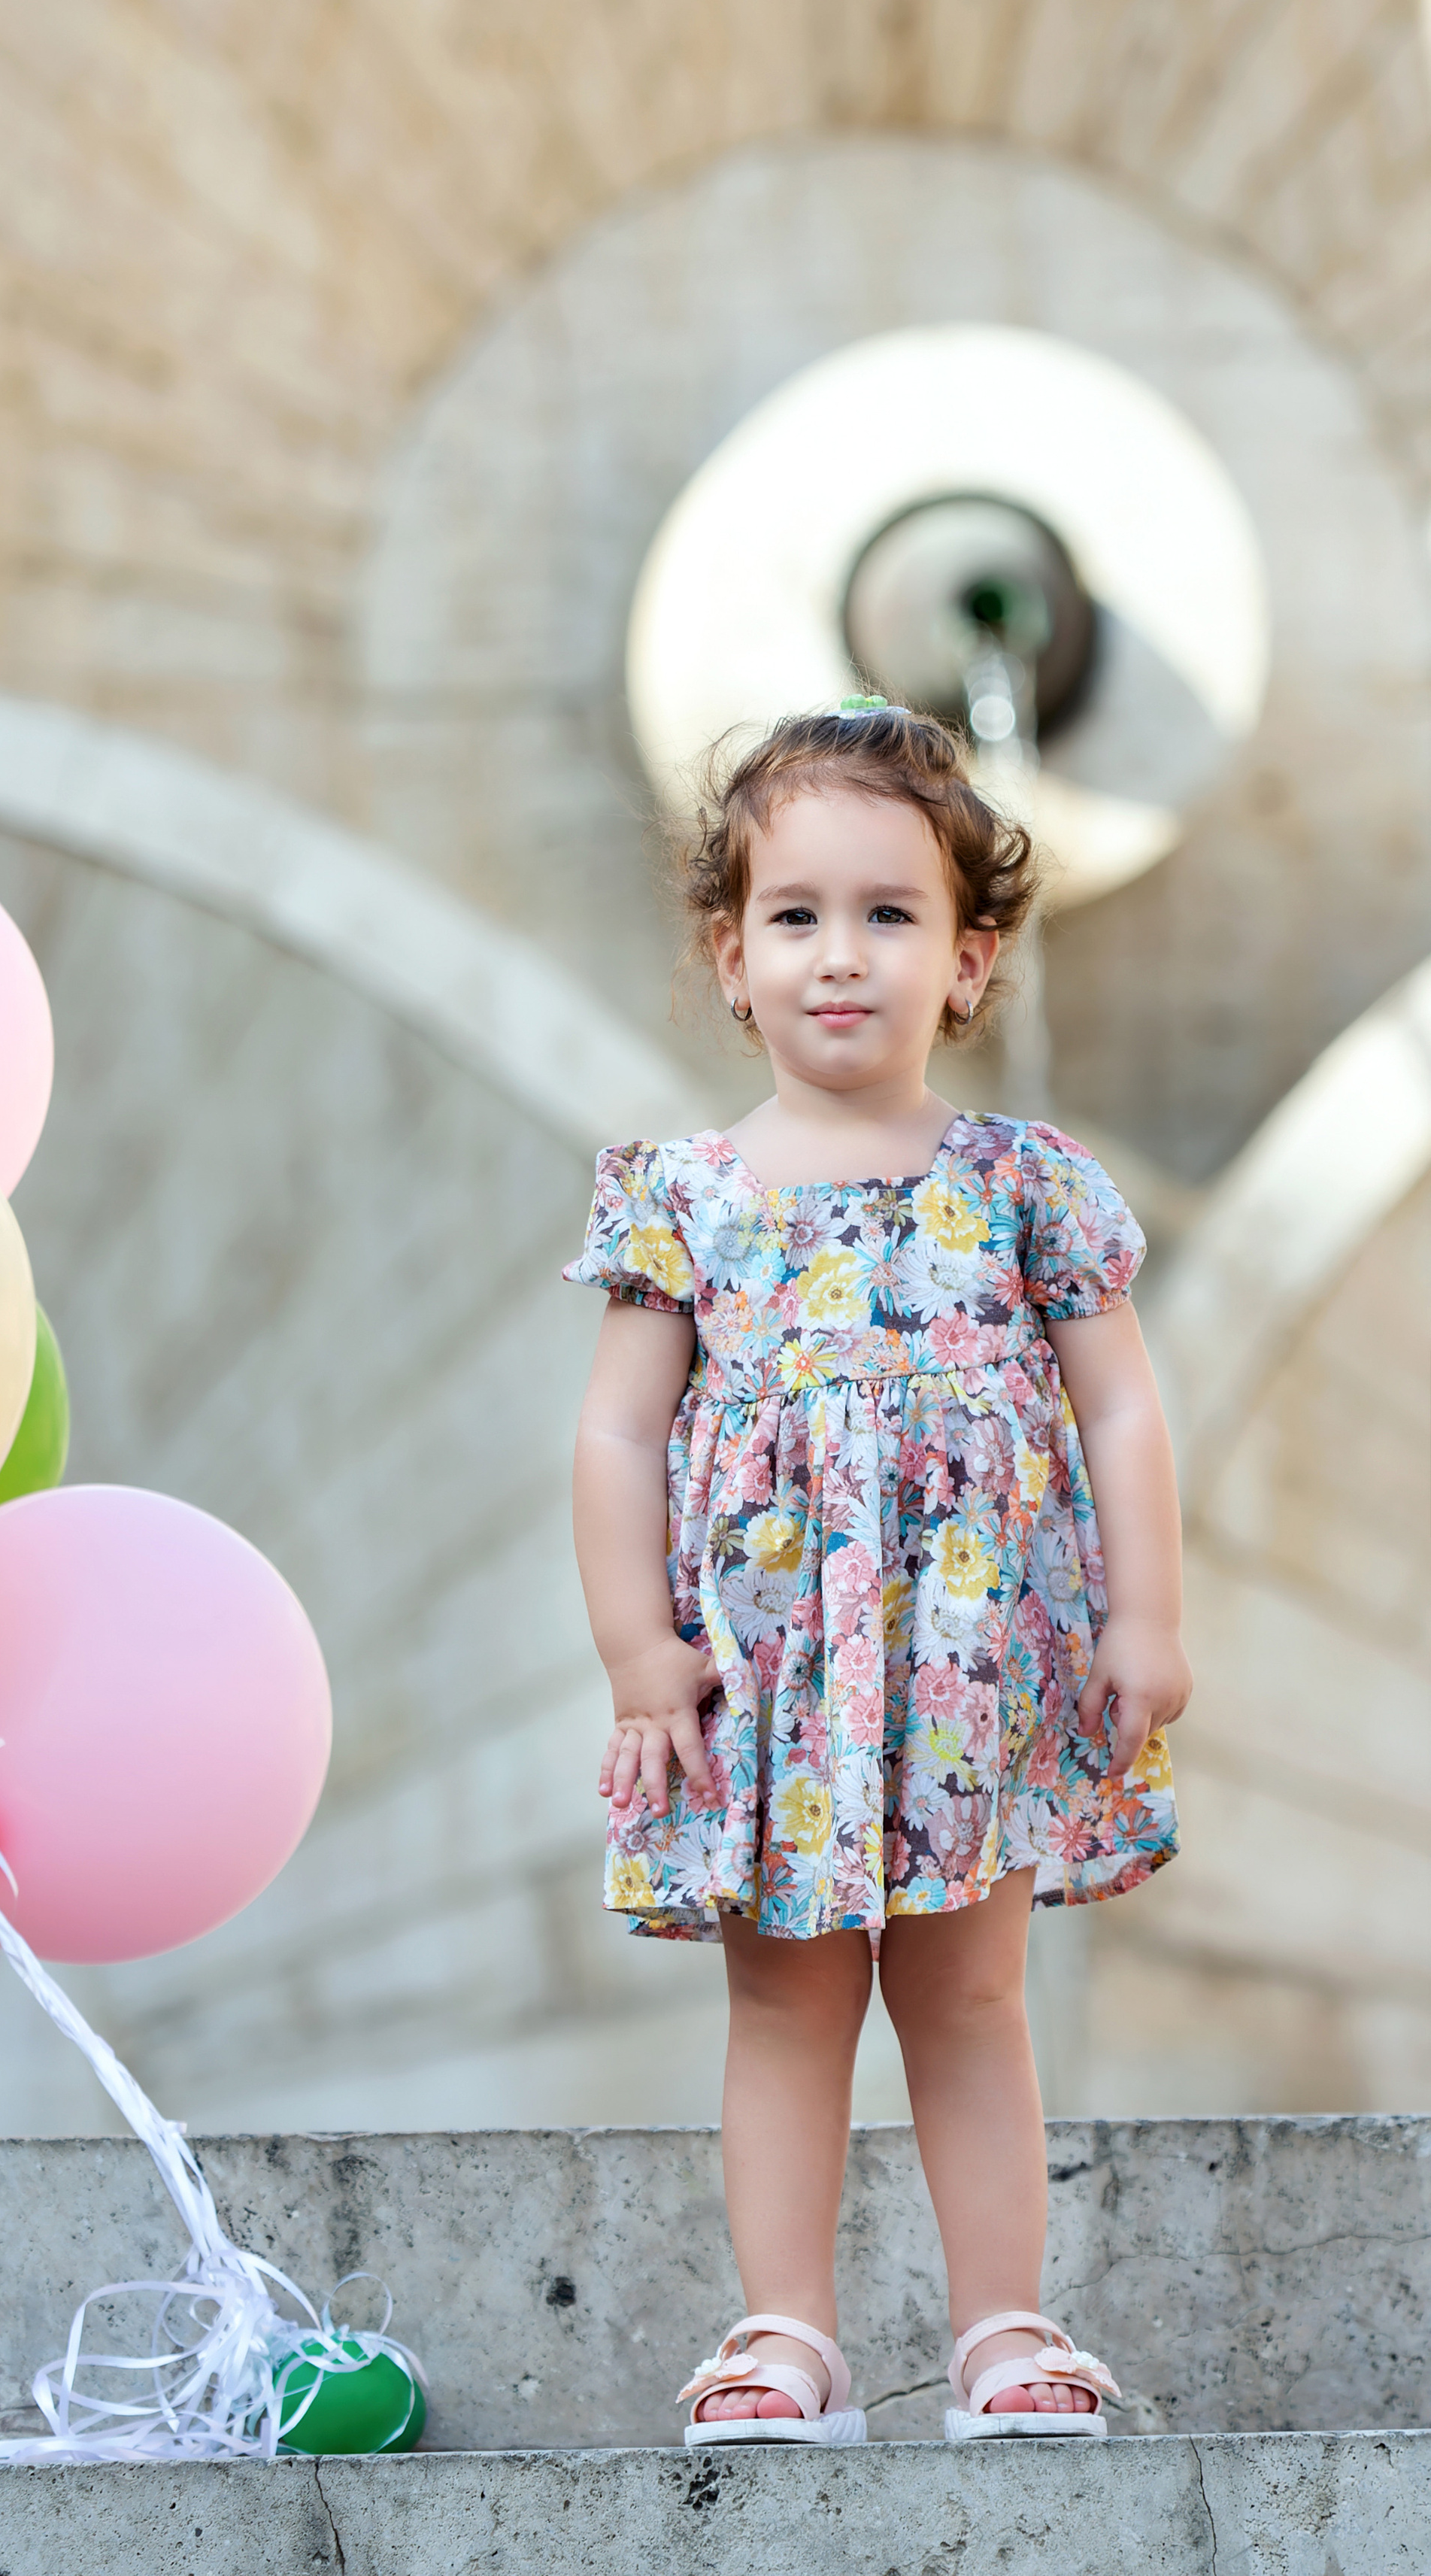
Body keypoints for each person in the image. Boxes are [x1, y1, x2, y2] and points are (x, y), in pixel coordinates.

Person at [565, 700, 1188, 2447]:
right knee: (780, 1997)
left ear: (970, 961)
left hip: (971, 1669)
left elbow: (1120, 1408)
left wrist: (1143, 1613)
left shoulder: (1019, 1186)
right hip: (771, 1674)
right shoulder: (679, 1197)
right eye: (795, 917)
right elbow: (615, 1438)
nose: (839, 957)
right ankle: (785, 2337)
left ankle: (1001, 2328)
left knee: (969, 1993)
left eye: (890, 915)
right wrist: (639, 1652)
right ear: (729, 957)